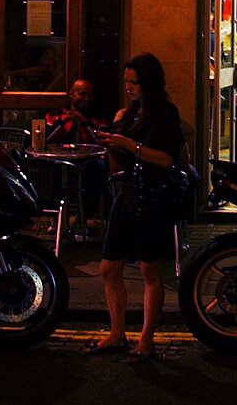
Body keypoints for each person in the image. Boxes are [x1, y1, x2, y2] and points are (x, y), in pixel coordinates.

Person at [84, 53, 186, 364]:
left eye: (135, 83)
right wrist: (112, 142)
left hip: (152, 196)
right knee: (108, 267)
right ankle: (117, 333)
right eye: (126, 82)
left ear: (149, 83)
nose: (129, 88)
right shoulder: (127, 114)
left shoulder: (165, 113)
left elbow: (168, 158)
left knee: (149, 269)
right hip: (126, 194)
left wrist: (131, 146)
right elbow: (117, 164)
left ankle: (146, 339)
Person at [46, 79, 106, 144]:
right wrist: (62, 122)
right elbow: (46, 140)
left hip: (87, 153)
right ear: (71, 94)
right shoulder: (54, 115)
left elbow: (102, 142)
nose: (86, 99)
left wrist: (85, 122)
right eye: (82, 94)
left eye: (90, 96)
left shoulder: (98, 117)